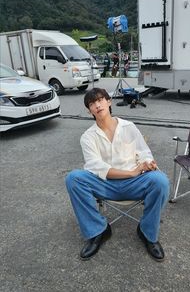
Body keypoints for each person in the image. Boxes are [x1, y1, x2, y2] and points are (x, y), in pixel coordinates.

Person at [65, 88, 169, 261]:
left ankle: (147, 232)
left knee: (160, 180)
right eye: (92, 103)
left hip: (134, 183)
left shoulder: (129, 127)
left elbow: (144, 153)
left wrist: (147, 163)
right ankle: (98, 230)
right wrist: (131, 172)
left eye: (100, 100)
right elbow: (97, 168)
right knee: (73, 178)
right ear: (89, 110)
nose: (97, 105)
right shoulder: (87, 137)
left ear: (109, 101)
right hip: (105, 184)